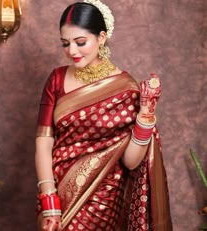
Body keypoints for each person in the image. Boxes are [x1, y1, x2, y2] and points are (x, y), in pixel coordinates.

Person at [35, 1, 172, 230]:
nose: (72, 51)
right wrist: (49, 198)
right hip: (56, 190)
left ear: (101, 37)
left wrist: (146, 112)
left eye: (80, 42)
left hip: (104, 198)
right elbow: (43, 141)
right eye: (65, 44)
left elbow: (130, 161)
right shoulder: (57, 79)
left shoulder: (125, 89)